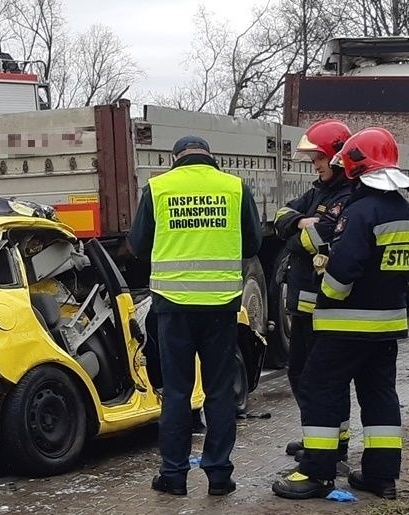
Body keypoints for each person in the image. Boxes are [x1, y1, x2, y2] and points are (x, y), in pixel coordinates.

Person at [272, 127, 409, 500]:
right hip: (388, 325)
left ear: (355, 165)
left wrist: (326, 284)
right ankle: (380, 476)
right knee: (379, 395)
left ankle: (317, 473)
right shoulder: (405, 212)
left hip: (346, 324)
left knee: (319, 388)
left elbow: (343, 272)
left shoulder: (360, 211)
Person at [128, 135, 262, 496]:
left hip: (172, 307)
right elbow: (253, 244)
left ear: (175, 159)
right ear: (210, 158)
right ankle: (219, 476)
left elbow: (138, 246)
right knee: (218, 391)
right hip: (220, 305)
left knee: (176, 392)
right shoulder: (234, 187)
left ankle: (173, 476)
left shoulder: (159, 188)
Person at [273, 120, 353, 464]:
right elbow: (280, 216)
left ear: (336, 157)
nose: (314, 164)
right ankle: (322, 437)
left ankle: (329, 444)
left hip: (323, 305)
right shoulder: (319, 191)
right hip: (303, 303)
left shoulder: (346, 196)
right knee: (303, 373)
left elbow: (314, 239)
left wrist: (298, 231)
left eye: (318, 157)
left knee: (318, 378)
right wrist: (297, 224)